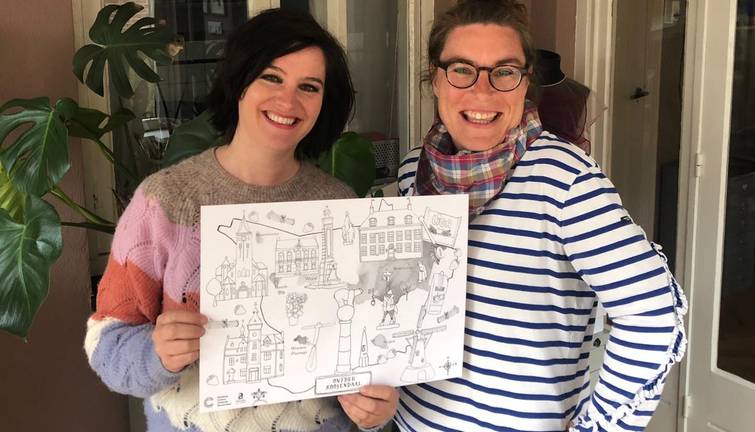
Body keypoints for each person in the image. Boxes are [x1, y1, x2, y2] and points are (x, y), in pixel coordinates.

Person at [84, 9, 397, 432]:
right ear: (239, 82)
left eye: (309, 86)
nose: (288, 101)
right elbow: (107, 346)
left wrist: (372, 410)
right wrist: (156, 353)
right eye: (271, 77)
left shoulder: (338, 204)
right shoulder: (167, 201)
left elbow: (364, 350)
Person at [395, 1, 688, 431]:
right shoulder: (414, 170)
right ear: (435, 78)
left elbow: (654, 317)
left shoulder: (563, 179)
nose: (483, 91)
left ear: (525, 81)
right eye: (461, 69)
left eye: (504, 71)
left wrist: (598, 427)